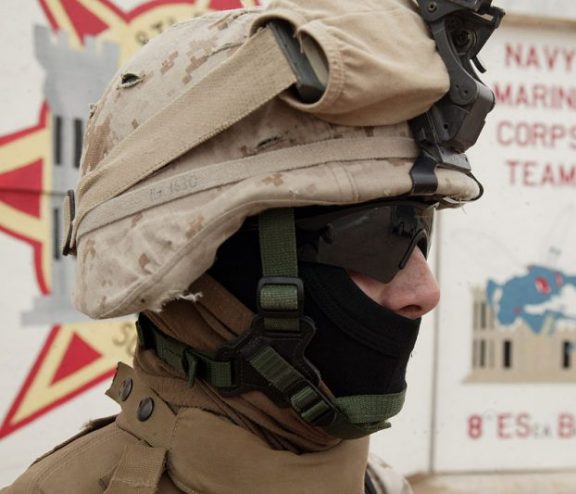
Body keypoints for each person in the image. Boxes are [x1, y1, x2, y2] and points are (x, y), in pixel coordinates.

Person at [2, 1, 503, 492]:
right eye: (376, 237)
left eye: (419, 231)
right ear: (199, 258)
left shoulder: (382, 485)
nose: (424, 290)